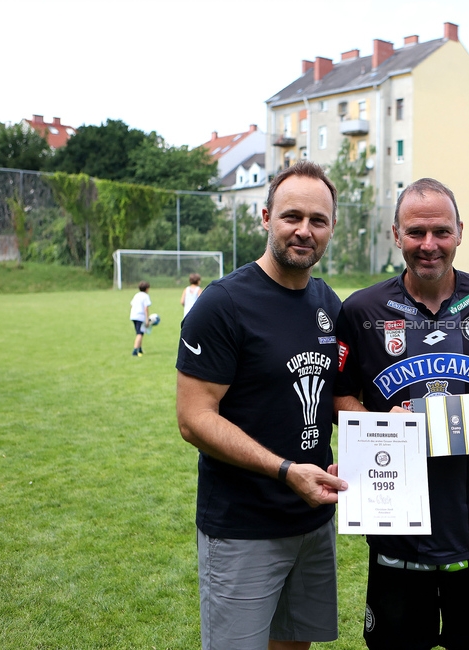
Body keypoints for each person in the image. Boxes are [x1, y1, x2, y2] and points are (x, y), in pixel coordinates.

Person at [334, 178, 469, 650]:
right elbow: (339, 397)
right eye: (416, 232)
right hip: (395, 525)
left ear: (461, 232)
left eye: (441, 232)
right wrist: (381, 426)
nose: (429, 245)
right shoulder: (361, 310)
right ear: (396, 234)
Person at [175, 160, 347, 650]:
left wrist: (379, 431)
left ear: (331, 227)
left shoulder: (327, 303)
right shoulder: (223, 304)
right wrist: (286, 470)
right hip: (244, 528)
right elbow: (194, 419)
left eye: (318, 220)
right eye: (292, 216)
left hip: (313, 522)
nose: (304, 230)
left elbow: (336, 397)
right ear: (266, 217)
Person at [129, 281, 151, 357]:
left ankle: (140, 349)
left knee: (139, 332)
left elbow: (131, 305)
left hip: (133, 316)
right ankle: (135, 351)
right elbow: (146, 308)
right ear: (147, 289)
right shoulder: (145, 296)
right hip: (140, 317)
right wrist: (147, 319)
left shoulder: (136, 295)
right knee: (140, 333)